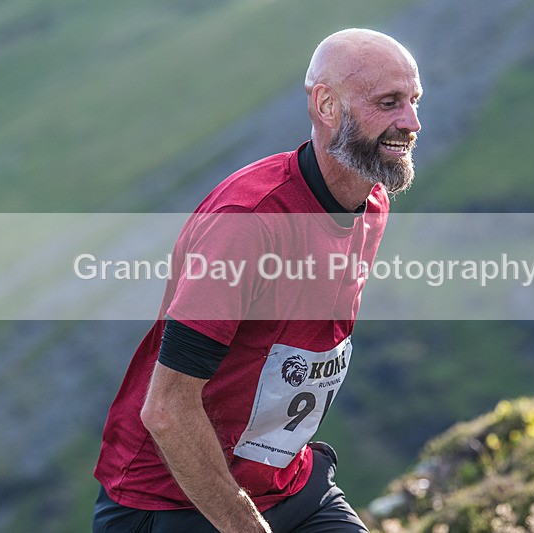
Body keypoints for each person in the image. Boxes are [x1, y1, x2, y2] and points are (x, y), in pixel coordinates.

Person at [93, 28, 422, 532]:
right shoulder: (248, 222)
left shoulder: (371, 203)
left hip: (288, 484)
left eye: (415, 101)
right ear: (327, 105)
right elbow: (166, 409)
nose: (412, 123)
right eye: (389, 103)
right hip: (170, 501)